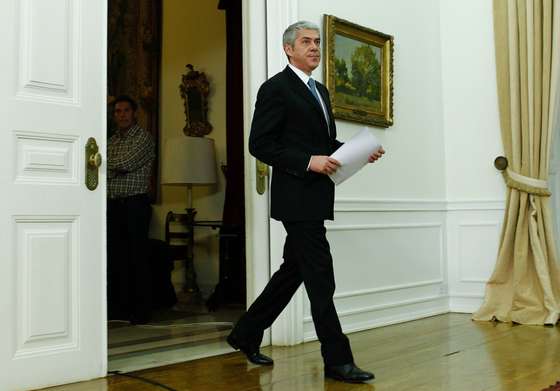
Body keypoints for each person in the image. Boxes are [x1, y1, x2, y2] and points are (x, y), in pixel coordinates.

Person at [227, 21, 385, 383]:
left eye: (316, 42)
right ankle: (337, 360)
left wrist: (355, 153)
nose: (314, 47)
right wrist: (306, 161)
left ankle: (246, 332)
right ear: (288, 49)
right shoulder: (275, 89)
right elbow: (260, 144)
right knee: (320, 277)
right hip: (296, 197)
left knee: (293, 271)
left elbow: (321, 143)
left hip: (316, 195)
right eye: (306, 42)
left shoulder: (321, 91)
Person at [107, 95, 155, 324]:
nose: (122, 115)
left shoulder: (143, 138)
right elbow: (99, 166)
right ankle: (119, 309)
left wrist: (109, 167)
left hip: (135, 204)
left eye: (126, 110)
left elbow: (124, 163)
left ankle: (142, 311)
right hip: (113, 205)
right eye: (117, 111)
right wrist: (110, 168)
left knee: (137, 256)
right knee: (116, 257)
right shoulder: (111, 140)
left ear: (134, 113)